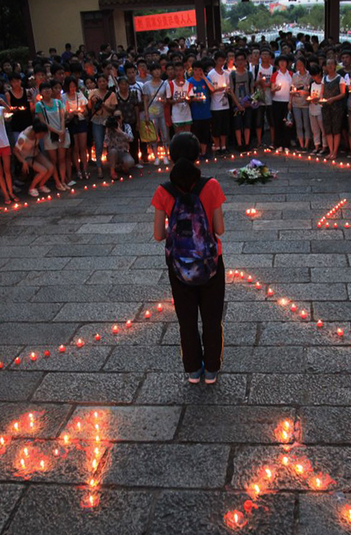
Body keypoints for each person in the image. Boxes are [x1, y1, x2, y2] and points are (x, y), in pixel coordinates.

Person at [151, 132, 226, 384]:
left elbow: (158, 235)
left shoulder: (163, 191)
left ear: (171, 157)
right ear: (198, 156)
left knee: (187, 319)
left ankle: (193, 370)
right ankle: (212, 370)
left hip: (178, 267)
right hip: (211, 263)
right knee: (212, 318)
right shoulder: (211, 185)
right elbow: (220, 229)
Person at [35, 80, 69, 193]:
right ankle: (57, 182)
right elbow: (42, 121)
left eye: (49, 88)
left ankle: (63, 180)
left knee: (62, 158)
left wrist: (62, 130)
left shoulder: (58, 102)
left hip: (61, 131)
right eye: (44, 89)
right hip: (49, 134)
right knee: (53, 159)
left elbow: (62, 117)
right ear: (41, 92)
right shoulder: (39, 105)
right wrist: (57, 131)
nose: (47, 91)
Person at [13, 121, 54, 201]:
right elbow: (15, 151)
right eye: (41, 135)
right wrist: (23, 162)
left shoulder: (34, 129)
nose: (42, 137)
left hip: (35, 152)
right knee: (43, 171)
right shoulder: (23, 138)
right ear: (35, 132)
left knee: (51, 168)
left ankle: (41, 185)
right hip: (26, 157)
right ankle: (31, 188)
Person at [143, 62, 170, 165]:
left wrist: (164, 101)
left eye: (158, 69)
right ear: (151, 72)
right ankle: (156, 156)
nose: (157, 72)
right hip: (151, 112)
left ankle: (166, 155)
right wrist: (146, 113)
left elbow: (167, 98)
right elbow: (145, 100)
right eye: (154, 70)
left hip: (162, 111)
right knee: (154, 135)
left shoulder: (165, 83)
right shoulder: (146, 85)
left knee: (164, 133)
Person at [63, 76, 89, 181]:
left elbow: (86, 111)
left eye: (74, 86)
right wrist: (71, 113)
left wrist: (82, 110)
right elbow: (64, 114)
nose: (72, 89)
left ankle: (85, 169)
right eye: (70, 86)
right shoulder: (63, 97)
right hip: (71, 123)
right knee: (75, 148)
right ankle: (77, 170)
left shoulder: (80, 95)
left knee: (83, 147)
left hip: (81, 121)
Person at [321, 58, 347, 160]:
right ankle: (331, 150)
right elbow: (322, 92)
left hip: (337, 107)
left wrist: (333, 99)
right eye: (328, 64)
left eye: (332, 64)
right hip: (326, 106)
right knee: (328, 129)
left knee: (336, 129)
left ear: (335, 65)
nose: (330, 66)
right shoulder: (324, 78)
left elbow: (343, 93)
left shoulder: (339, 78)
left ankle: (335, 151)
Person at [188, 59, 213, 160]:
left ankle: (204, 152)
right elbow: (188, 97)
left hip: (206, 111)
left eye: (200, 70)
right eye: (196, 70)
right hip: (195, 112)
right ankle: (197, 152)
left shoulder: (205, 79)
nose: (198, 72)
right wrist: (194, 99)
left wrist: (204, 78)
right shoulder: (189, 82)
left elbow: (212, 89)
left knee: (205, 133)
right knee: (196, 133)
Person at [208, 52, 231, 155]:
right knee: (216, 127)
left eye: (223, 60)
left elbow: (229, 87)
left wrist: (227, 90)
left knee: (224, 127)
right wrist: (219, 89)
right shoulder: (211, 74)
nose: (222, 63)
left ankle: (224, 146)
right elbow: (210, 90)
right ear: (216, 61)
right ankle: (217, 146)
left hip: (225, 104)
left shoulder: (226, 74)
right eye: (220, 60)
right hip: (215, 105)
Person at [271, 55, 293, 153]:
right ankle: (278, 144)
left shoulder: (291, 74)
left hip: (287, 102)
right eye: (280, 62)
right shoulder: (275, 75)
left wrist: (290, 102)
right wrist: (275, 89)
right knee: (278, 123)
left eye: (284, 61)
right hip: (277, 101)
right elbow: (272, 90)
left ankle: (286, 144)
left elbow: (293, 89)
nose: (282, 63)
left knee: (287, 124)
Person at [290, 57, 312, 151]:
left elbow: (311, 91)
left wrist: (304, 92)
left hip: (306, 103)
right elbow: (291, 89)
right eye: (297, 65)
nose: (299, 67)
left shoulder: (309, 76)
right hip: (296, 103)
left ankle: (307, 143)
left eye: (301, 65)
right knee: (298, 124)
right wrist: (290, 100)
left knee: (306, 124)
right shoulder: (295, 76)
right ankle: (301, 143)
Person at [104, 112, 135, 177]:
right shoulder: (110, 128)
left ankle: (122, 166)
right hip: (113, 153)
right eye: (115, 117)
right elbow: (105, 144)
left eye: (118, 117)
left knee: (130, 162)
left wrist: (120, 132)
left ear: (122, 118)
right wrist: (107, 131)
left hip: (124, 152)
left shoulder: (126, 126)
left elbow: (131, 139)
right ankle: (112, 171)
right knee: (113, 151)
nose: (117, 119)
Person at [168, 61, 193, 135]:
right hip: (176, 114)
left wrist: (187, 99)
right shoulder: (170, 85)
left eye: (180, 70)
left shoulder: (188, 84)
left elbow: (191, 100)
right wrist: (177, 101)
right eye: (176, 70)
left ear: (183, 71)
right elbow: (168, 100)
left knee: (187, 135)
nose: (178, 73)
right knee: (178, 135)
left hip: (187, 114)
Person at [308, 64, 325, 156]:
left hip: (321, 108)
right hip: (312, 108)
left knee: (323, 129)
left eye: (315, 75)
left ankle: (324, 146)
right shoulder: (312, 83)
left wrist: (318, 99)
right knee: (315, 129)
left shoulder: (324, 82)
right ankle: (316, 145)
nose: (313, 77)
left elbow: (324, 96)